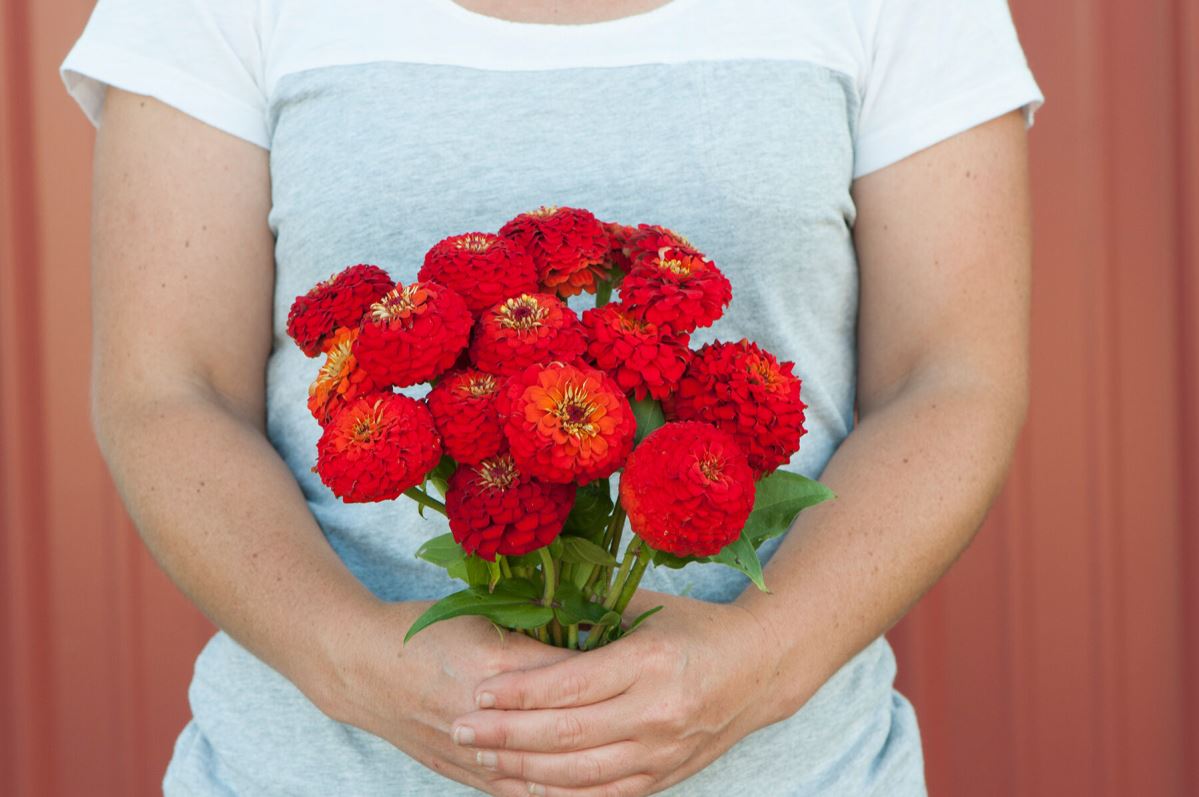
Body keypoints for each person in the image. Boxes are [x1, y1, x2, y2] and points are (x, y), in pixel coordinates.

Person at [60, 1, 1042, 794]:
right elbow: (168, 390)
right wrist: (356, 663)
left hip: (796, 769)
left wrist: (763, 661)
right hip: (311, 767)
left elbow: (947, 379)